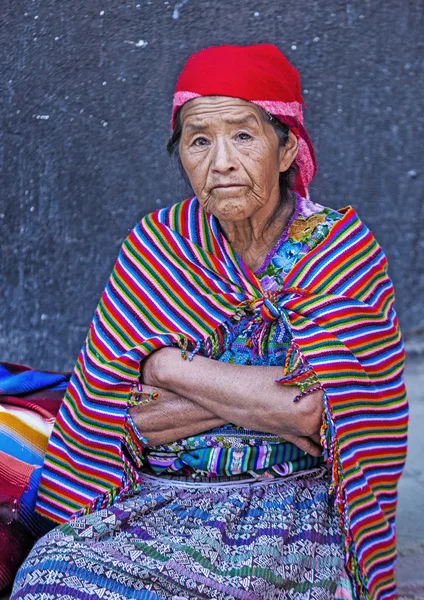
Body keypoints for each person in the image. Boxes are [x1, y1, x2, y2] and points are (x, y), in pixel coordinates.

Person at [10, 44, 407, 600]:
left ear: (288, 147)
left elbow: (317, 410)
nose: (220, 161)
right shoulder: (157, 246)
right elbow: (115, 418)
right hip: (152, 499)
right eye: (199, 140)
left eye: (243, 136)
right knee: (51, 576)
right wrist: (266, 399)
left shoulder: (341, 251)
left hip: (291, 507)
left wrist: (165, 366)